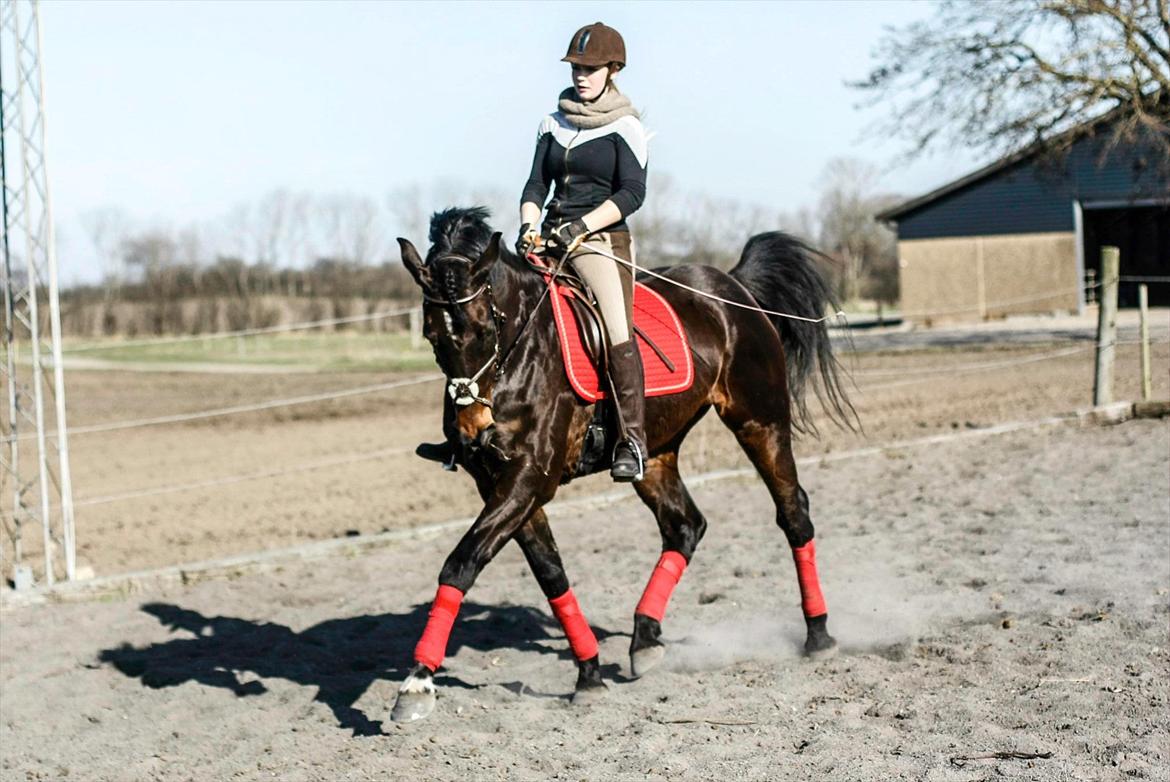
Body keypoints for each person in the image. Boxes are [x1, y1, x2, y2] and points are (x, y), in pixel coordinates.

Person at [517, 21, 649, 483]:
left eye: (590, 69)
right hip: (549, 236)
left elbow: (633, 193)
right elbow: (536, 184)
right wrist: (529, 224)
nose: (581, 76)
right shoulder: (552, 123)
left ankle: (631, 440)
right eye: (576, 68)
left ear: (613, 70)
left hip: (598, 241)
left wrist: (583, 225)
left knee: (616, 328)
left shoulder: (625, 127)